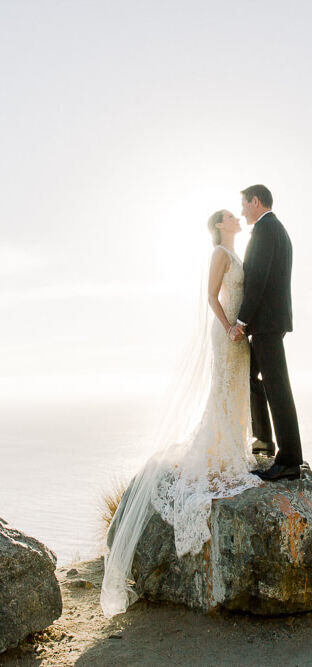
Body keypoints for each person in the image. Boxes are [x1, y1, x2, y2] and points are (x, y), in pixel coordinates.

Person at [100, 209, 262, 618]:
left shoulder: (236, 251)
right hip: (227, 333)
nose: (236, 215)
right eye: (229, 214)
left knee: (235, 393)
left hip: (239, 331)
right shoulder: (220, 254)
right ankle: (219, 452)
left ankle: (232, 448)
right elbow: (210, 296)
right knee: (222, 391)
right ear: (220, 225)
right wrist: (228, 326)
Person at [230, 184, 303, 481]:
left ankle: (289, 460)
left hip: (266, 324)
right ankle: (264, 443)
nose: (242, 210)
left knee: (278, 389)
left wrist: (242, 321)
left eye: (244, 204)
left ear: (256, 201)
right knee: (252, 378)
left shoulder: (264, 231)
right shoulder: (277, 229)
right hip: (272, 322)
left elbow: (257, 279)